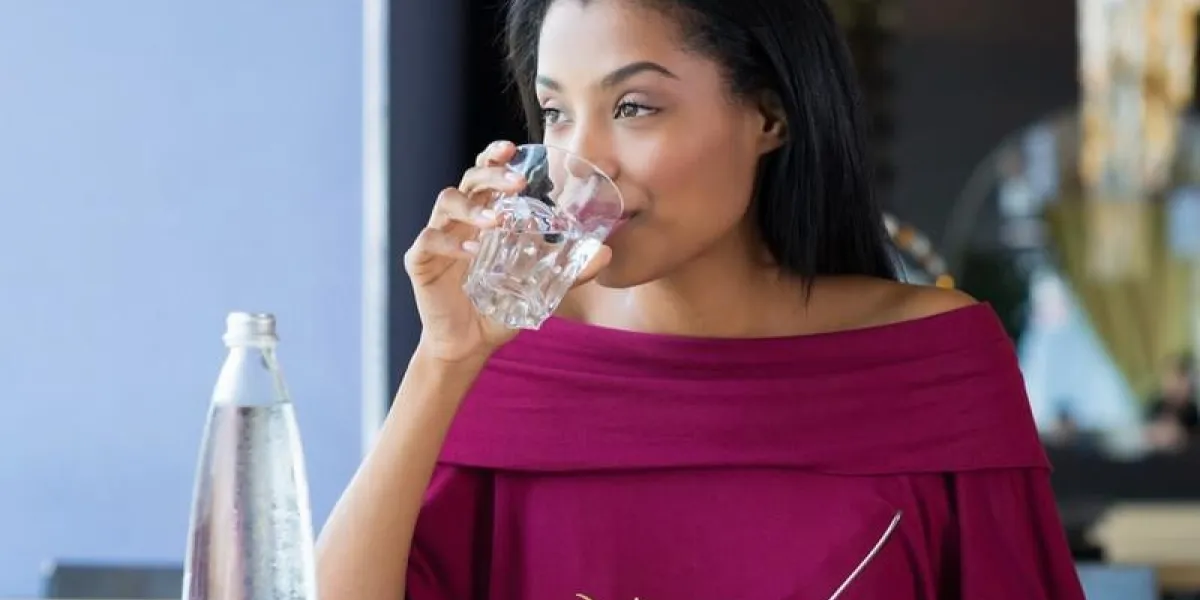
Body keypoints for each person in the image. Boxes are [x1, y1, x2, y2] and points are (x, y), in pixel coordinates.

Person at [316, 0, 1085, 598]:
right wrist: (443, 358)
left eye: (633, 107)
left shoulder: (932, 365)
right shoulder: (505, 361)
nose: (583, 162)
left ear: (770, 115)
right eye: (556, 113)